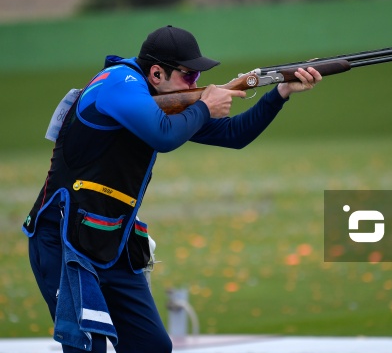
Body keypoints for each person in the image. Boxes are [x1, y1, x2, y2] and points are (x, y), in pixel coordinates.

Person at [23, 25, 322, 353]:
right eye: (189, 75)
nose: (196, 84)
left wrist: (280, 93)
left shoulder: (158, 99)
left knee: (151, 346)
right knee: (86, 347)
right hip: (65, 241)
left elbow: (235, 134)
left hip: (111, 240)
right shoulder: (117, 84)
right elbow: (163, 136)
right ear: (155, 73)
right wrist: (204, 107)